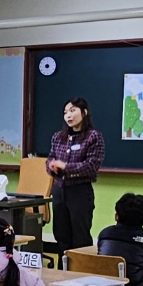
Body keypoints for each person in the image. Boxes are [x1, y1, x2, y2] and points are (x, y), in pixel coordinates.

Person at [46, 97, 105, 251]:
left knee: (80, 237)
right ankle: (62, 266)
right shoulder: (58, 137)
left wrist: (66, 167)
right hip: (59, 191)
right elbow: (51, 157)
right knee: (61, 235)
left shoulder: (93, 137)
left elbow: (91, 166)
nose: (68, 115)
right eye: (65, 112)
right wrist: (51, 166)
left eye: (72, 111)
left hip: (79, 191)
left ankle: (81, 266)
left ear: (84, 112)